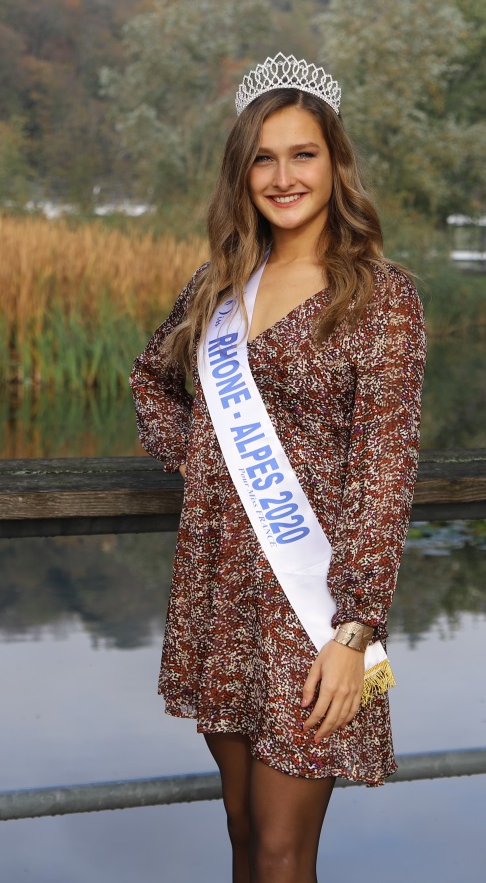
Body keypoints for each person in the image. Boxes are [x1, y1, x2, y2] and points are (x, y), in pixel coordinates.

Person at [130, 53, 426, 883]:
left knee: (284, 850)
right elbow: (150, 380)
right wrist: (204, 462)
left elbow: (384, 469)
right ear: (242, 172)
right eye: (264, 156)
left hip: (315, 611)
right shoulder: (220, 285)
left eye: (304, 154)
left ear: (336, 164)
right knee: (240, 833)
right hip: (219, 593)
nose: (284, 174)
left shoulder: (379, 296)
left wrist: (356, 630)